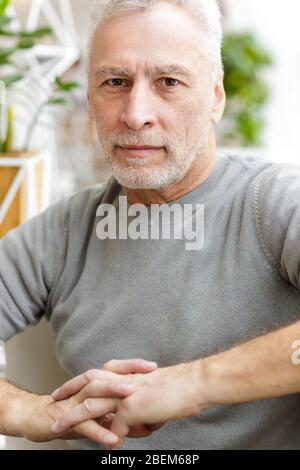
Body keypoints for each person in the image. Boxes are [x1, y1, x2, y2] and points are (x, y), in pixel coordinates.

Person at [1, 0, 300, 451]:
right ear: (90, 98)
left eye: (169, 82)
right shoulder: (61, 234)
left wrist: (191, 384)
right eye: (115, 82)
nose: (136, 113)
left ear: (215, 97)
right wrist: (30, 411)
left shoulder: (275, 204)